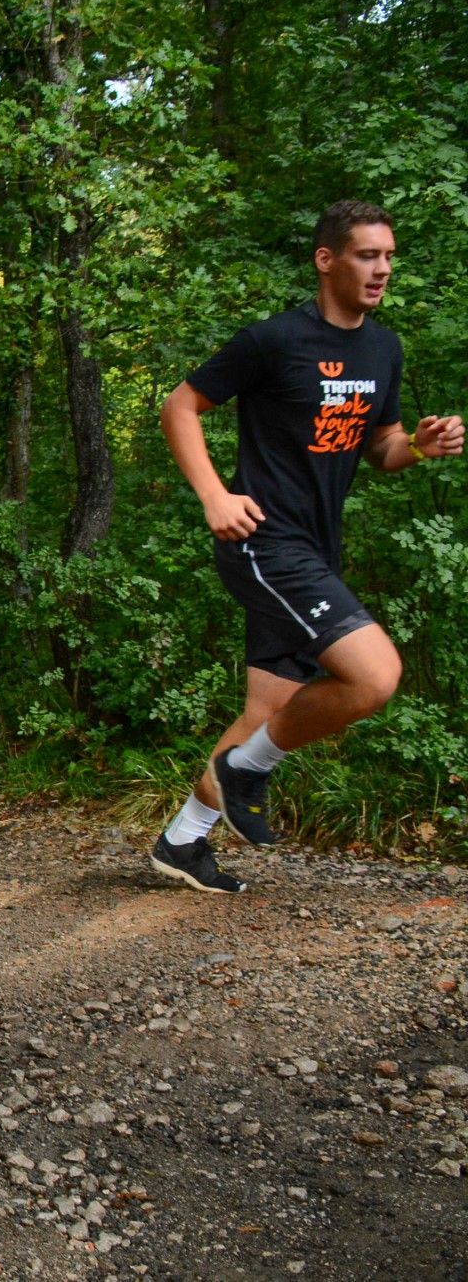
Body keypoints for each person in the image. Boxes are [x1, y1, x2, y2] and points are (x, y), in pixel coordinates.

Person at [154, 200, 462, 892]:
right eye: (365, 255)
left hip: (317, 547)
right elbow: (181, 406)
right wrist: (213, 495)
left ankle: (183, 841)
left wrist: (418, 444)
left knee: (268, 712)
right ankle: (246, 769)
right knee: (375, 675)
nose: (381, 268)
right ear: (327, 259)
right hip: (263, 539)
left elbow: (381, 444)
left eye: (387, 256)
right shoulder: (273, 340)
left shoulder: (383, 348)